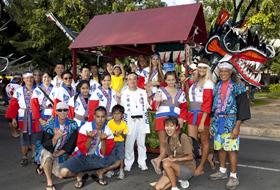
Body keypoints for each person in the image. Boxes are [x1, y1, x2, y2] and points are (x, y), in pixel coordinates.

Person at [209, 62, 250, 190]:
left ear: (231, 72)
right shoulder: (217, 85)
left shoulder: (238, 86)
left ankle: (233, 176)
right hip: (217, 122)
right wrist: (211, 124)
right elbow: (213, 105)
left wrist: (237, 127)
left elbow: (243, 108)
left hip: (230, 123)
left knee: (230, 150)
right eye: (221, 71)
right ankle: (222, 171)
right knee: (220, 148)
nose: (223, 73)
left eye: (226, 71)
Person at [60, 106, 120, 188]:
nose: (100, 119)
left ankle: (100, 172)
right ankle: (79, 174)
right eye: (98, 116)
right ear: (94, 116)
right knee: (64, 172)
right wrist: (89, 139)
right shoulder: (85, 127)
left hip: (97, 157)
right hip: (82, 157)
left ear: (106, 117)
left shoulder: (108, 130)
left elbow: (105, 152)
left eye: (102, 116)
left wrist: (103, 141)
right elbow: (83, 149)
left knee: (117, 162)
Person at [34, 102, 78, 190]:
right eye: (59, 110)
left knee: (61, 175)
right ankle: (49, 182)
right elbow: (45, 144)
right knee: (48, 156)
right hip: (48, 149)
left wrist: (59, 153)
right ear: (56, 112)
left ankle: (43, 165)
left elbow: (72, 143)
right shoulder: (49, 124)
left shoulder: (73, 124)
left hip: (61, 152)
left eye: (65, 110)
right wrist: (55, 138)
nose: (62, 112)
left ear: (68, 111)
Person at [151, 71, 188, 175]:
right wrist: (157, 101)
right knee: (163, 142)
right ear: (165, 81)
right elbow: (154, 106)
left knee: (173, 144)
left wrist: (181, 118)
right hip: (162, 118)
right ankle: (163, 166)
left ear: (176, 80)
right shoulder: (160, 91)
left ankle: (159, 160)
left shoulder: (181, 92)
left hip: (175, 120)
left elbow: (184, 107)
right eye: (169, 80)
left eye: (173, 79)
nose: (171, 81)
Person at [186, 59, 215, 176]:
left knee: (204, 141)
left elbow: (207, 103)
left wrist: (202, 122)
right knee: (192, 142)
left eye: (204, 68)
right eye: (200, 68)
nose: (202, 70)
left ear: (208, 70)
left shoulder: (208, 83)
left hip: (203, 115)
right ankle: (207, 157)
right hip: (192, 113)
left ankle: (201, 167)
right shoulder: (195, 82)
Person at [154, 116, 195, 190]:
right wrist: (166, 167)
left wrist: (175, 160)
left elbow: (190, 157)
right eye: (166, 126)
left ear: (176, 127)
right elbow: (170, 156)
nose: (168, 128)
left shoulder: (183, 137)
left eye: (171, 126)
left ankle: (174, 187)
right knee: (157, 188)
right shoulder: (168, 139)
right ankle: (178, 179)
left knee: (166, 163)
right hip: (175, 168)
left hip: (187, 169)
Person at [121, 72, 151, 171]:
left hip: (141, 120)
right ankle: (128, 162)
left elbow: (148, 106)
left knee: (141, 143)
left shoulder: (142, 92)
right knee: (129, 143)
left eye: (134, 79)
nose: (132, 81)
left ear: (137, 80)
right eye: (130, 79)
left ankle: (142, 162)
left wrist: (149, 97)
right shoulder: (123, 93)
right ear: (126, 81)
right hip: (129, 121)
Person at [5, 72, 37, 166]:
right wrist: (13, 118)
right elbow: (13, 105)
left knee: (35, 138)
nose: (29, 80)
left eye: (31, 78)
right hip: (23, 116)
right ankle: (24, 156)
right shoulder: (18, 91)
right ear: (23, 79)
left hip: (35, 116)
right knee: (24, 137)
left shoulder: (38, 90)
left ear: (33, 79)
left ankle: (34, 157)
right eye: (27, 78)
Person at [106, 104, 129, 180]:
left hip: (120, 143)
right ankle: (110, 170)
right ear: (112, 114)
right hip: (111, 143)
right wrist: (114, 134)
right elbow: (107, 134)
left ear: (122, 114)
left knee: (121, 157)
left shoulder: (124, 124)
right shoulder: (110, 123)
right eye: (114, 113)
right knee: (111, 156)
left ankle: (121, 171)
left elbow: (125, 136)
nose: (116, 115)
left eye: (118, 113)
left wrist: (122, 134)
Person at [31, 69, 57, 133]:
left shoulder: (56, 90)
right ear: (42, 77)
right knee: (39, 138)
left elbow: (57, 105)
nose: (47, 79)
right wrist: (40, 120)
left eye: (49, 77)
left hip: (52, 116)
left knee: (50, 138)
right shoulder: (36, 90)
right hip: (40, 117)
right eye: (45, 77)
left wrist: (52, 118)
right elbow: (34, 106)